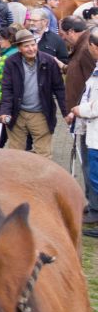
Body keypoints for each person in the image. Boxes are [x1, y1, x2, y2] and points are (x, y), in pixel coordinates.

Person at [0, 29, 69, 159]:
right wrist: (5, 111)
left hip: (41, 114)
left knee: (43, 155)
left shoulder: (49, 61)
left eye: (33, 44)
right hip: (17, 114)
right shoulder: (11, 62)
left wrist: (66, 112)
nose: (31, 49)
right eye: (26, 46)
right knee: (15, 155)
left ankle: (41, 179)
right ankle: (17, 179)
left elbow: (59, 88)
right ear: (19, 48)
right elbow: (7, 89)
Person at [59, 15, 98, 222]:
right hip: (83, 115)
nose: (64, 39)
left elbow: (93, 84)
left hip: (89, 119)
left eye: (64, 35)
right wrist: (65, 68)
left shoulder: (87, 50)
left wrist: (78, 110)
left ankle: (95, 209)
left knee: (90, 165)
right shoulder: (83, 48)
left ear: (73, 32)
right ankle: (92, 203)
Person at [69, 28, 98, 224]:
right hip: (90, 131)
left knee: (96, 176)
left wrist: (78, 110)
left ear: (93, 46)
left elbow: (95, 106)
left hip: (95, 132)